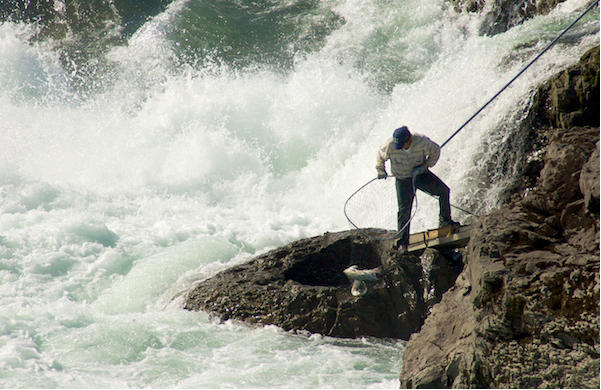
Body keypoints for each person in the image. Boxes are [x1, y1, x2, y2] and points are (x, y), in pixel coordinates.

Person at [376, 126, 458, 253]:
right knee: (404, 210)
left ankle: (444, 222)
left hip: (420, 175)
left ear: (409, 140)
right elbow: (380, 157)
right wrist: (381, 169)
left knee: (443, 191)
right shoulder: (390, 145)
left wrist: (425, 166)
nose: (401, 147)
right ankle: (403, 243)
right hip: (403, 180)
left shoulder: (421, 141)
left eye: (403, 144)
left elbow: (435, 151)